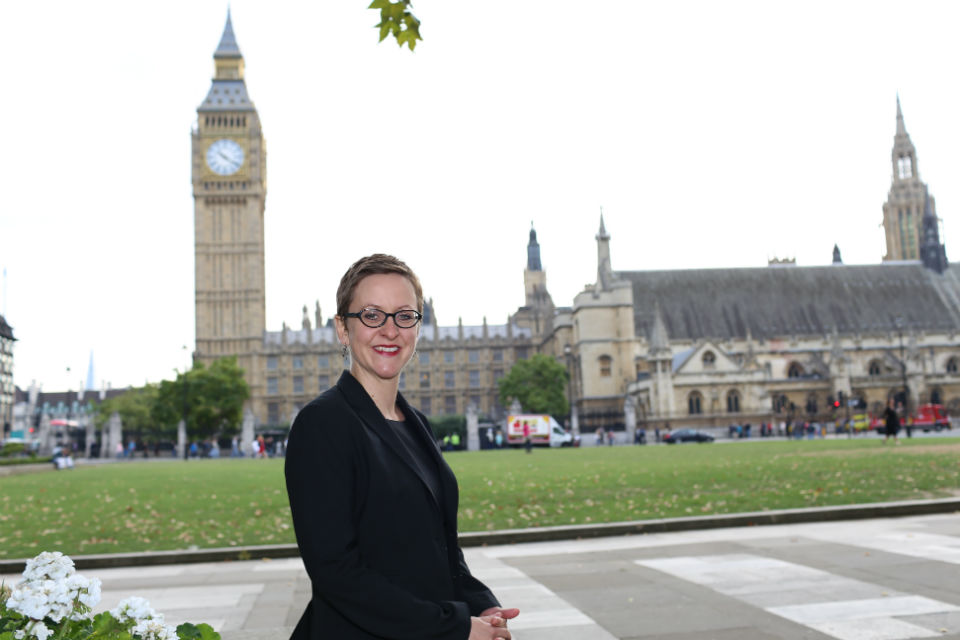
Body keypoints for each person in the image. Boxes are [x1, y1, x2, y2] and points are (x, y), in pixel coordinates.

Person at [285, 254, 518, 640]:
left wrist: (481, 605)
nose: (390, 330)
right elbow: (336, 573)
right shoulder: (322, 424)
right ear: (342, 329)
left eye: (404, 315)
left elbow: (439, 550)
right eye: (372, 315)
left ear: (418, 327)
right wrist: (455, 627)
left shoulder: (417, 425)